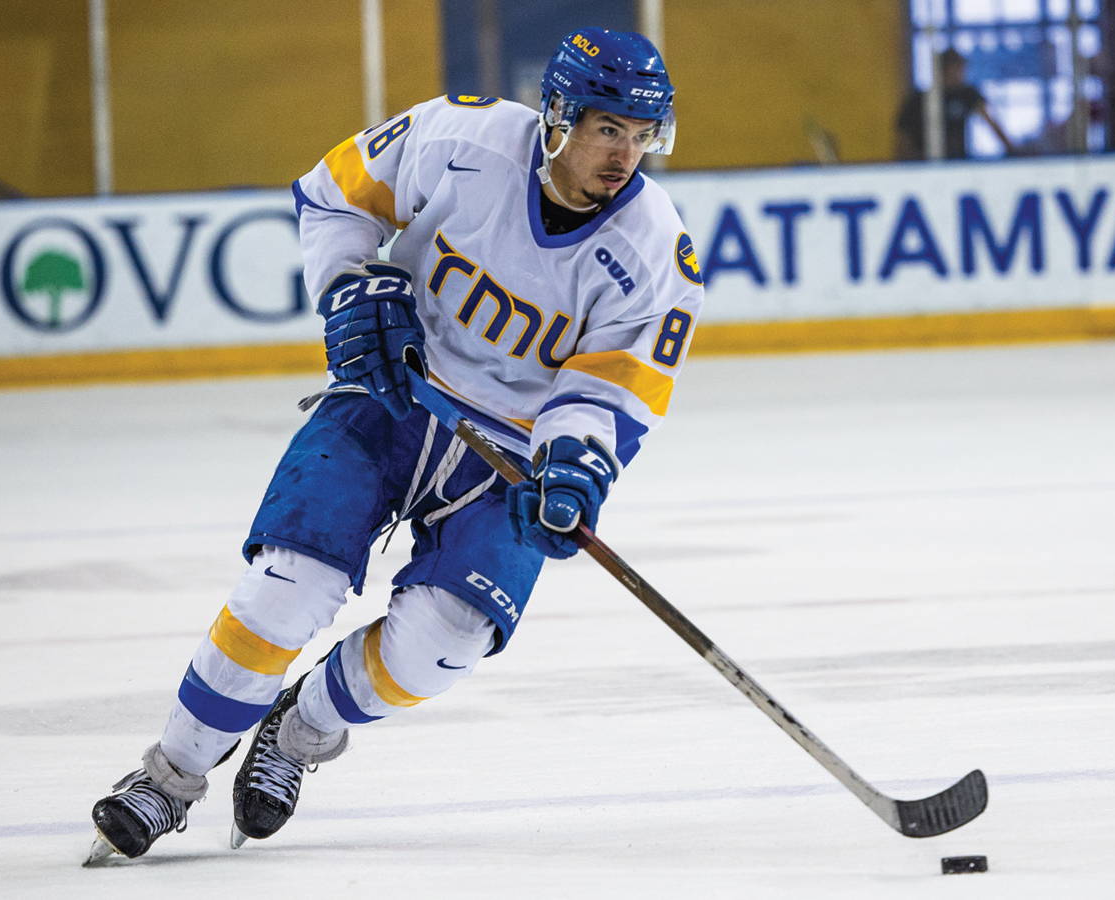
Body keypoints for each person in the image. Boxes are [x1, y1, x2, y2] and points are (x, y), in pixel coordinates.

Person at [85, 27, 705, 863]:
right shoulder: (462, 138)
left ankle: (300, 730)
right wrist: (347, 283)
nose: (624, 155)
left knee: (446, 639)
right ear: (558, 116)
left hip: (507, 458)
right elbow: (331, 194)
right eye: (607, 130)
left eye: (641, 136)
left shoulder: (656, 251)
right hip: (391, 399)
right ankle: (168, 779)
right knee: (287, 589)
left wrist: (573, 466)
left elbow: (614, 389)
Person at [894, 48, 1014, 160]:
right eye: (956, 68)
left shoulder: (966, 95)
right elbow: (903, 139)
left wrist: (1012, 151)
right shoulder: (919, 100)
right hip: (925, 164)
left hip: (958, 163)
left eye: (961, 68)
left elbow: (990, 121)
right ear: (943, 70)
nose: (960, 73)